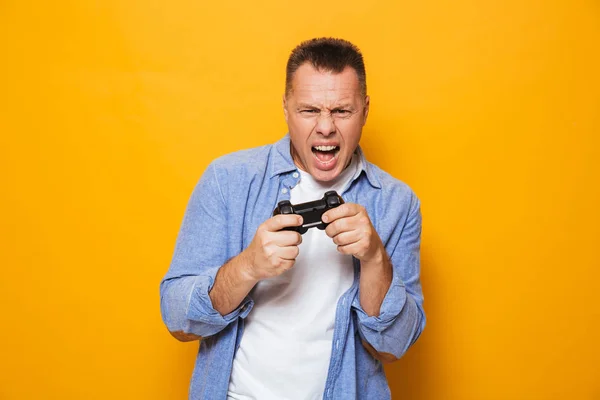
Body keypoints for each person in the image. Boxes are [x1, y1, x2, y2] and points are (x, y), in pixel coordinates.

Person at [160, 37, 425, 399]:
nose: (326, 127)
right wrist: (248, 266)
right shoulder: (228, 179)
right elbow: (178, 319)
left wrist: (375, 258)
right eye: (309, 110)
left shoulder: (397, 203)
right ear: (286, 108)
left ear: (365, 110)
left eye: (342, 111)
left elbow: (392, 347)